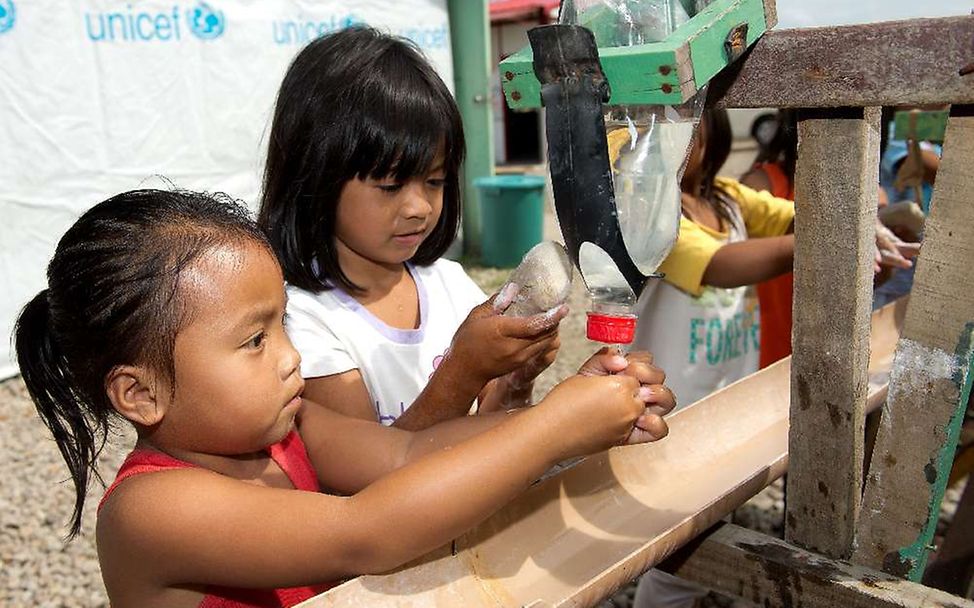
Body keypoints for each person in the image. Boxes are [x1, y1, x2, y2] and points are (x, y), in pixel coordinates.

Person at [15, 188, 676, 608]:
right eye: (254, 340)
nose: (291, 357)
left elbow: (410, 454)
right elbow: (368, 533)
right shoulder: (152, 510)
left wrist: (582, 407)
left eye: (283, 326)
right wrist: (555, 430)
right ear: (140, 392)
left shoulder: (286, 427)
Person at [258, 27, 562, 431]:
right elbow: (369, 478)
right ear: (315, 176)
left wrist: (515, 379)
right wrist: (463, 371)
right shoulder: (300, 319)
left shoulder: (450, 286)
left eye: (434, 182)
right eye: (390, 186)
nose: (419, 208)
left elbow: (489, 431)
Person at [631, 108, 795, 409]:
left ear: (712, 135)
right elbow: (717, 263)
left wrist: (862, 221)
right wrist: (820, 238)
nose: (666, 139)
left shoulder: (727, 198)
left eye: (683, 128)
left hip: (733, 388)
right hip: (667, 399)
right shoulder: (650, 215)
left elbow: (794, 218)